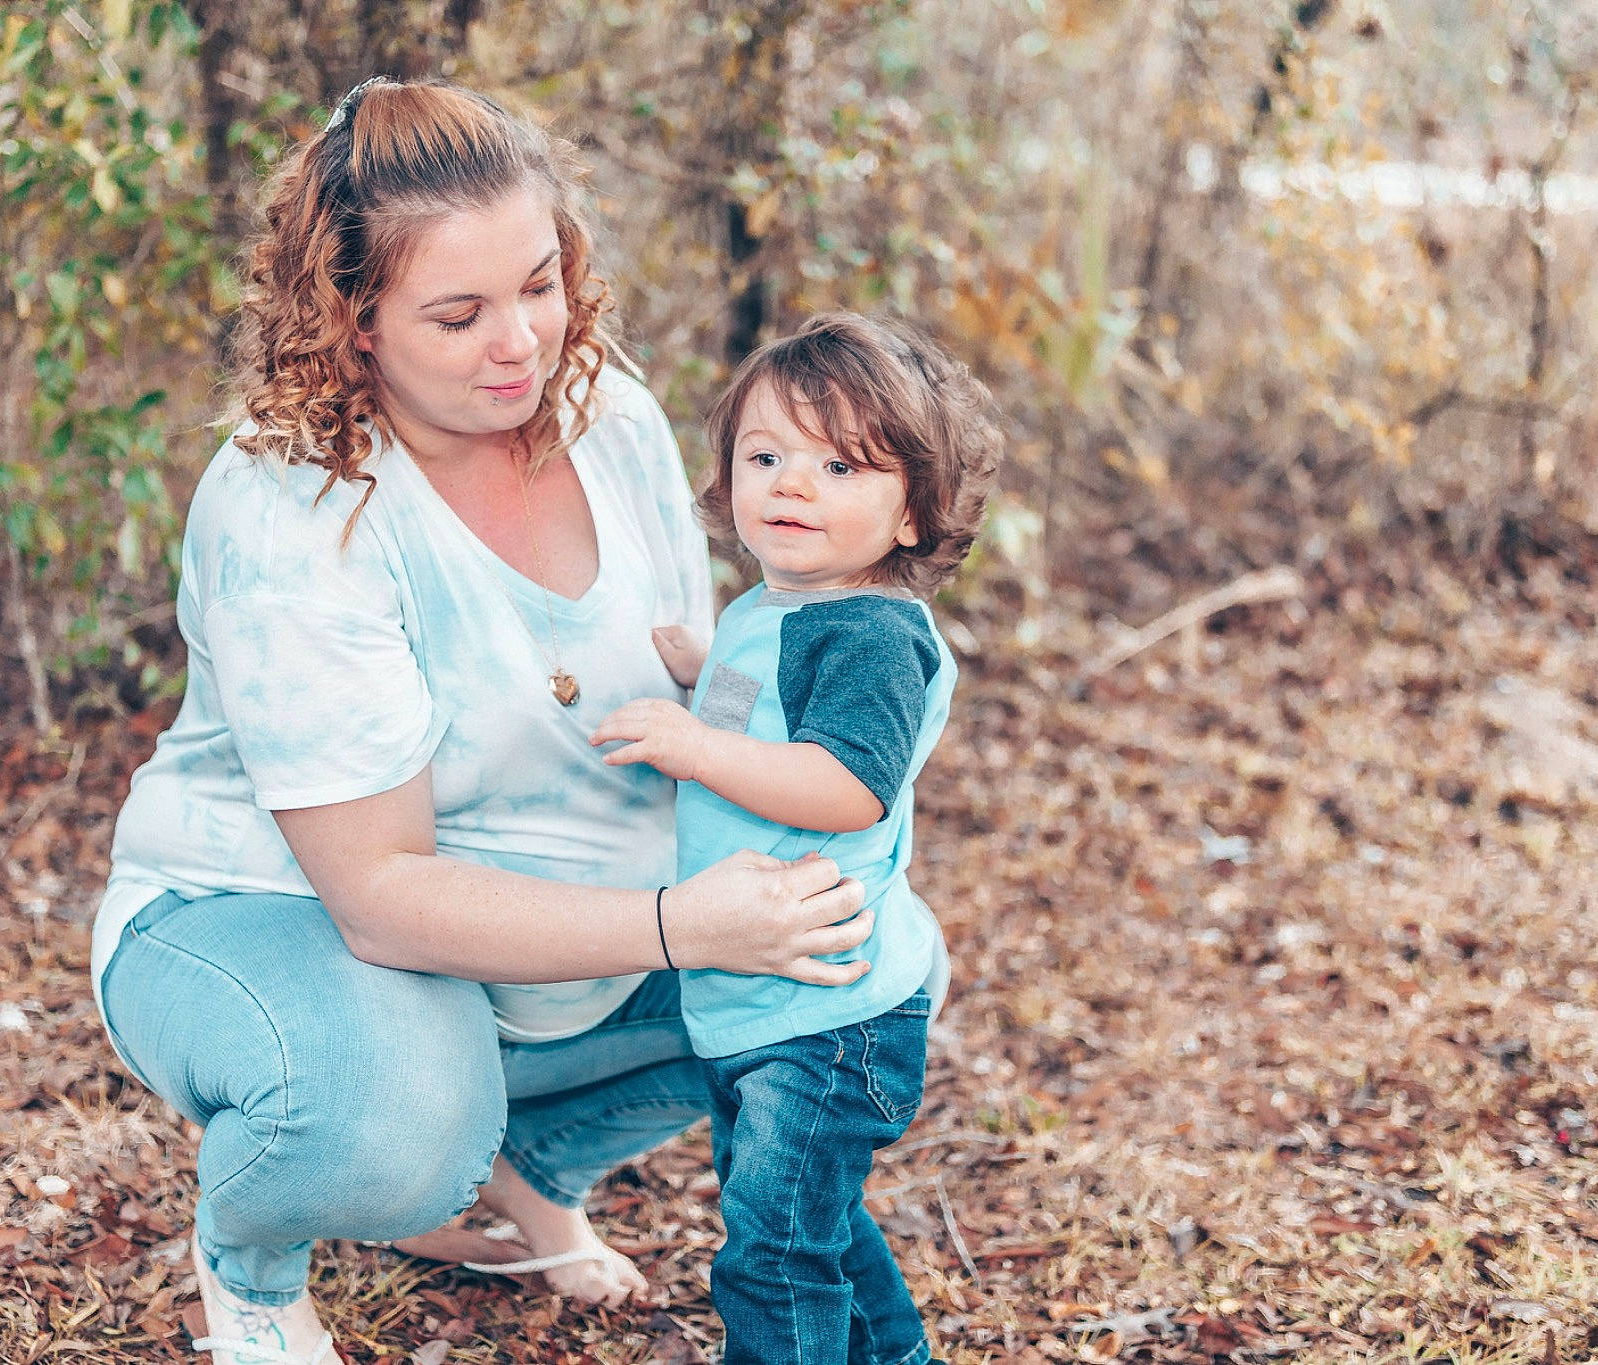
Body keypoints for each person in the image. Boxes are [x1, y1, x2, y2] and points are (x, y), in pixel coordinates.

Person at [91, 79, 879, 1365]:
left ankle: (520, 1171)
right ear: (351, 324)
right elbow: (381, 894)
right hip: (269, 911)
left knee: (864, 957)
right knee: (392, 1120)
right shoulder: (294, 508)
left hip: (551, 921)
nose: (519, 341)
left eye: (537, 283)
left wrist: (790, 755)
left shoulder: (605, 413)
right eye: (457, 314)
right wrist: (681, 924)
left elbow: (699, 683)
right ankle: (251, 1254)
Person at [590, 313, 1002, 1365]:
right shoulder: (783, 607)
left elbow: (845, 783)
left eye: (837, 465)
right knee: (812, 1224)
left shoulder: (865, 633)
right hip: (772, 995)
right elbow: (766, 717)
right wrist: (704, 675)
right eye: (764, 456)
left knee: (773, 1253)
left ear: (912, 513)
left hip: (828, 1016)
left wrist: (690, 742)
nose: (790, 485)